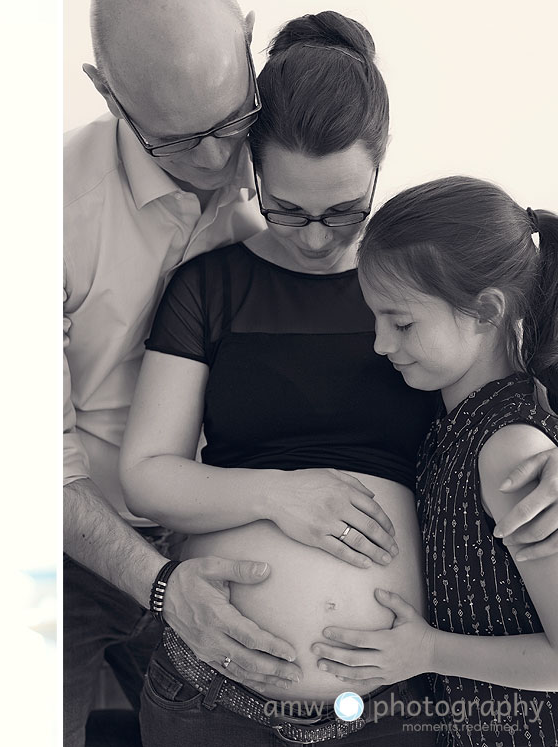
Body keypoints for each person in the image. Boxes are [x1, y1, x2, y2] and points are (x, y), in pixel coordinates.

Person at [118, 11, 558, 746]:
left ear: (381, 162)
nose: (318, 236)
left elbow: (518, 396)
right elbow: (145, 475)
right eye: (286, 208)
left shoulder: (431, 294)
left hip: (399, 707)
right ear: (252, 168)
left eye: (344, 209)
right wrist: (278, 494)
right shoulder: (209, 286)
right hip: (210, 693)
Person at [63, 1, 303, 743]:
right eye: (176, 139)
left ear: (249, 40)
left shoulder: (292, 174)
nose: (214, 162)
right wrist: (164, 587)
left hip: (216, 537)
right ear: (107, 93)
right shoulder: (47, 209)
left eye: (232, 120)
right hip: (67, 547)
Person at [309, 177, 558, 745]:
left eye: (401, 323)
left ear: (483, 311)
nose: (379, 344)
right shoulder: (452, 424)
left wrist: (426, 651)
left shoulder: (511, 450)